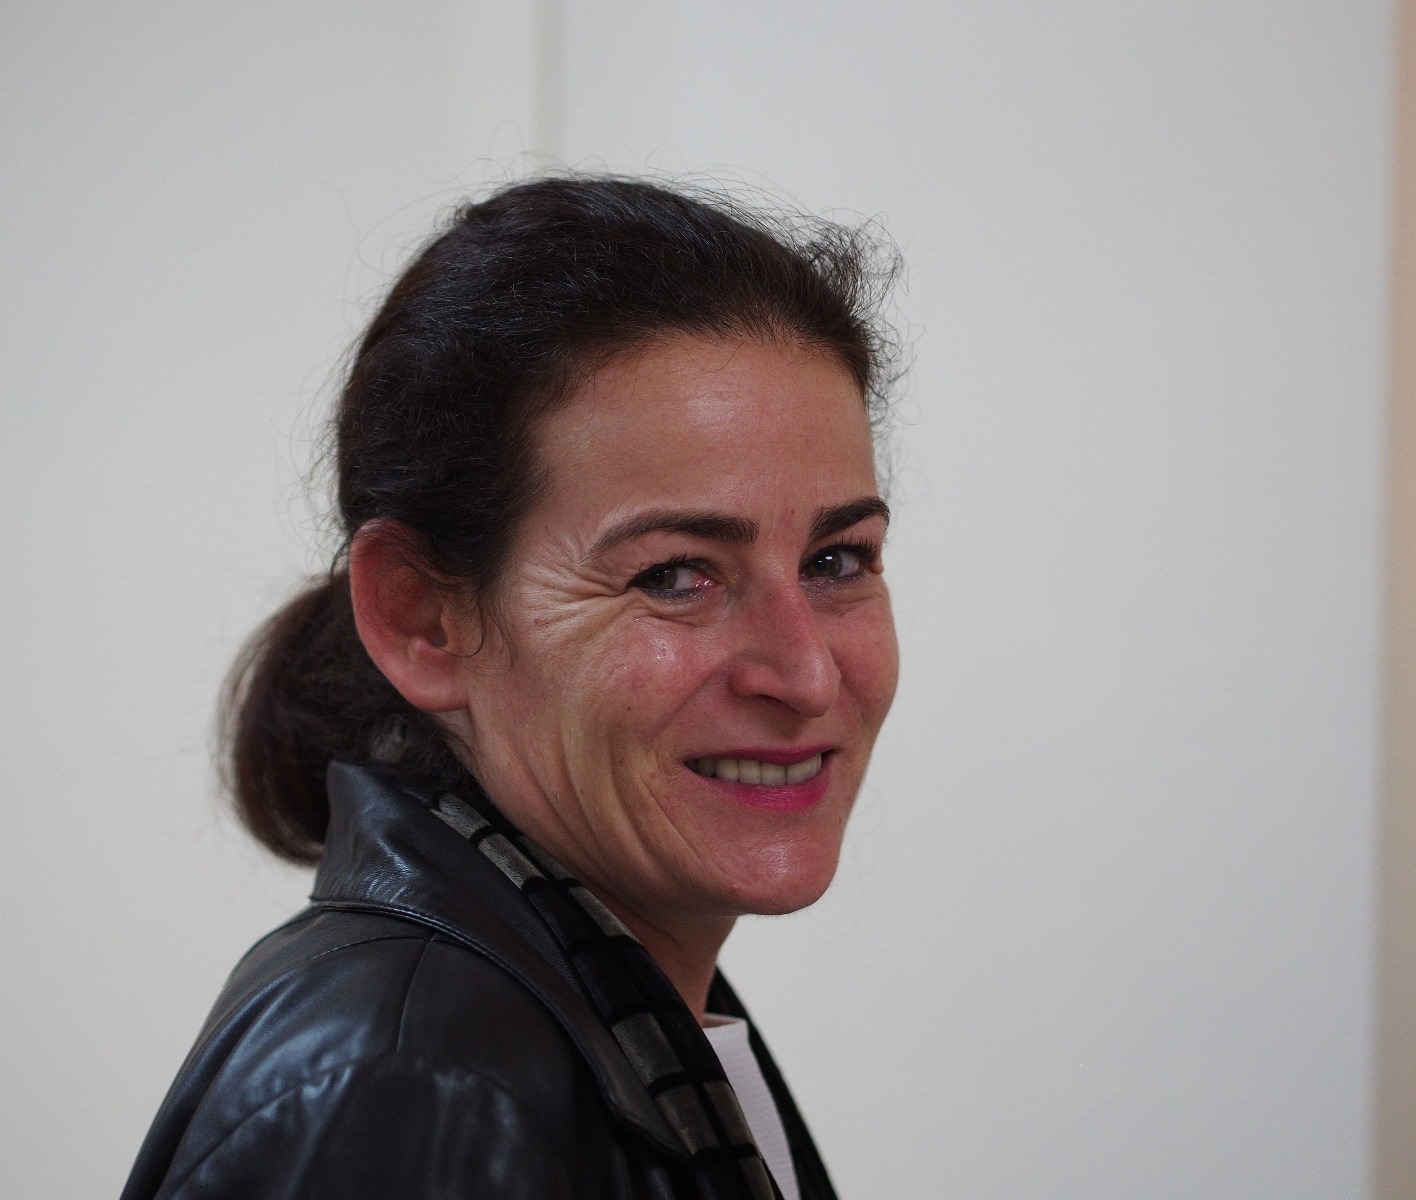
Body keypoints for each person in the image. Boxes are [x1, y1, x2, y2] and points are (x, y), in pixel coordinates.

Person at [120, 177, 901, 1200]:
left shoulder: (598, 1014)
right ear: (423, 618)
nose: (805, 674)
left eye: (837, 561)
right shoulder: (411, 1091)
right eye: (675, 576)